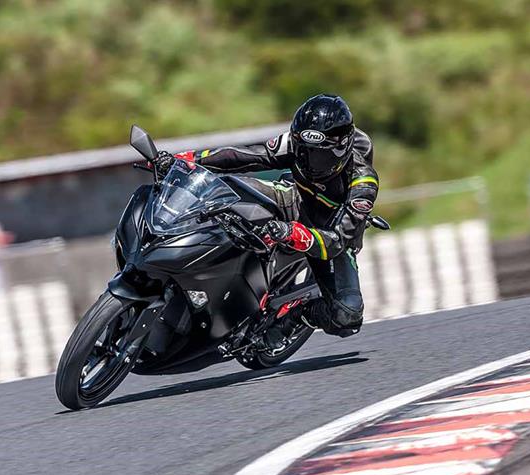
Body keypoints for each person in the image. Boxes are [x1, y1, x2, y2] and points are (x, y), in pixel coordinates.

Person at [153, 94, 379, 349]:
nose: (308, 160)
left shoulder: (363, 181)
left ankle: (296, 316)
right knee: (224, 190)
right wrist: (188, 160)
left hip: (329, 231)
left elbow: (340, 240)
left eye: (319, 155)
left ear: (342, 149)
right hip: (294, 198)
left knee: (347, 315)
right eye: (304, 151)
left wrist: (295, 234)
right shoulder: (293, 143)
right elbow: (245, 156)